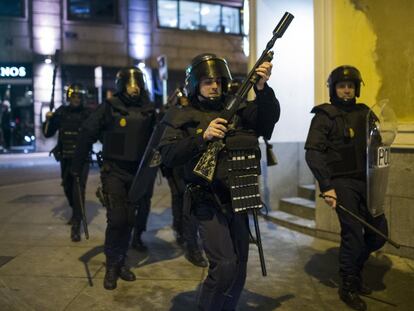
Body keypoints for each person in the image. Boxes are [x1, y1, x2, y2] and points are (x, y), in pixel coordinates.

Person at [159, 53, 280, 310]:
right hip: (205, 199)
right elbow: (167, 155)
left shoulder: (238, 110)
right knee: (224, 266)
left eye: (217, 81)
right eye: (206, 81)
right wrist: (202, 136)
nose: (214, 86)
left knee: (239, 268)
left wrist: (261, 88)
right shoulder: (182, 114)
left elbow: (267, 122)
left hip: (238, 195)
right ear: (195, 84)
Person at [304, 65, 388, 311]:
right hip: (341, 183)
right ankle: (348, 284)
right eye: (342, 86)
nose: (347, 90)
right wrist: (327, 186)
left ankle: (355, 272)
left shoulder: (366, 113)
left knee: (378, 233)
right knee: (353, 234)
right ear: (333, 88)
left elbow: (379, 146)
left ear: (357, 89)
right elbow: (313, 153)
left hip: (367, 180)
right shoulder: (325, 116)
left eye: (351, 86)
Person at [71, 67, 156, 290]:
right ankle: (111, 265)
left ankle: (121, 262)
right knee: (117, 218)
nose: (134, 88)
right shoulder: (109, 107)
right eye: (129, 84)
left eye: (137, 83)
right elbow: (87, 131)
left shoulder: (149, 110)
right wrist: (76, 166)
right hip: (114, 171)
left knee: (129, 219)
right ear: (121, 86)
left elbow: (159, 137)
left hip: (137, 173)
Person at [161, 87, 208, 267]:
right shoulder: (173, 113)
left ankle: (190, 241)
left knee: (189, 206)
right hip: (175, 168)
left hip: (189, 167)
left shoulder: (194, 113)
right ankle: (185, 237)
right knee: (179, 200)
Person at [42, 83, 92, 242]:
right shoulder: (61, 112)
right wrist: (48, 120)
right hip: (65, 156)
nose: (76, 99)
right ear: (69, 98)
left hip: (82, 158)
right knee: (67, 186)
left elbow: (97, 133)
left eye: (78, 97)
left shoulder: (88, 114)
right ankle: (75, 211)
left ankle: (76, 225)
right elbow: (48, 133)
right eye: (73, 97)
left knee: (78, 189)